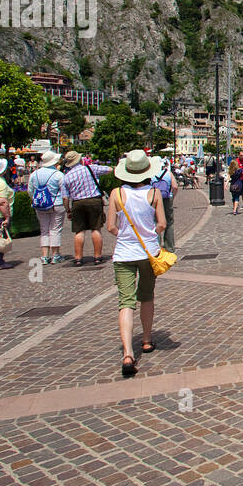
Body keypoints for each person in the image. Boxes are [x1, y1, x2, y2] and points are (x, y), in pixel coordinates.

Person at [105, 149, 167, 378]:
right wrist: (150, 233)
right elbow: (162, 224)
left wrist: (124, 235)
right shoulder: (154, 194)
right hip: (148, 253)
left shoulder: (116, 194)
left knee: (126, 301)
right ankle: (147, 339)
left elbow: (110, 226)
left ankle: (128, 353)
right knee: (147, 296)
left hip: (124, 253)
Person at [61, 149, 112, 266]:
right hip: (94, 200)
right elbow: (109, 170)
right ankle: (97, 257)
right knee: (96, 229)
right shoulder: (90, 168)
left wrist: (68, 210)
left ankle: (78, 258)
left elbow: (65, 198)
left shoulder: (67, 177)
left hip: (77, 203)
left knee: (79, 231)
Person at [28, 150, 66, 263]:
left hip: (40, 205)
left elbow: (30, 191)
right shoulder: (58, 175)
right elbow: (64, 192)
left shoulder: (34, 174)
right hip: (56, 203)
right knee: (55, 229)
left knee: (44, 230)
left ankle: (44, 255)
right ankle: (55, 254)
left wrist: (38, 200)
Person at [153, 157, 175, 251]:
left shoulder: (151, 175)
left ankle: (156, 246)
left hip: (154, 199)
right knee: (169, 222)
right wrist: (172, 196)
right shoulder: (168, 173)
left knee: (155, 222)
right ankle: (169, 246)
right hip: (167, 198)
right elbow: (175, 186)